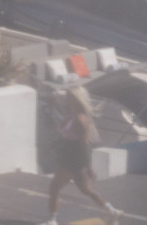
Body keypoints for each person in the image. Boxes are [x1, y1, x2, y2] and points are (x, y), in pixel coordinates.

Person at [43, 87, 122, 225]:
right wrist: (51, 145)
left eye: (68, 96)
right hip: (69, 158)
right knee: (86, 190)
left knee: (54, 188)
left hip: (72, 160)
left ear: (75, 99)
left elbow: (84, 145)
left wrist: (89, 167)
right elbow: (64, 137)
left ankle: (52, 221)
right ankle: (112, 211)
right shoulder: (72, 116)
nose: (65, 99)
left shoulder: (80, 120)